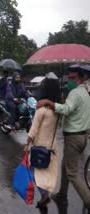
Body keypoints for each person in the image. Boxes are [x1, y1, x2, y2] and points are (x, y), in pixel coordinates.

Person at [37, 68, 90, 212]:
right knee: (64, 166)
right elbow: (77, 112)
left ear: (80, 77)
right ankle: (62, 194)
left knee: (72, 173)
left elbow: (66, 109)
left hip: (73, 137)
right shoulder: (86, 92)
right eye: (69, 77)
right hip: (82, 136)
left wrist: (48, 102)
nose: (70, 81)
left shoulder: (75, 93)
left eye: (73, 78)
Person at [25, 76, 61, 208]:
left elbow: (33, 130)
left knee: (35, 172)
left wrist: (27, 144)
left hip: (39, 146)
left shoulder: (41, 110)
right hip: (52, 147)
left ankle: (44, 196)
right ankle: (44, 197)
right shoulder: (57, 110)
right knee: (48, 173)